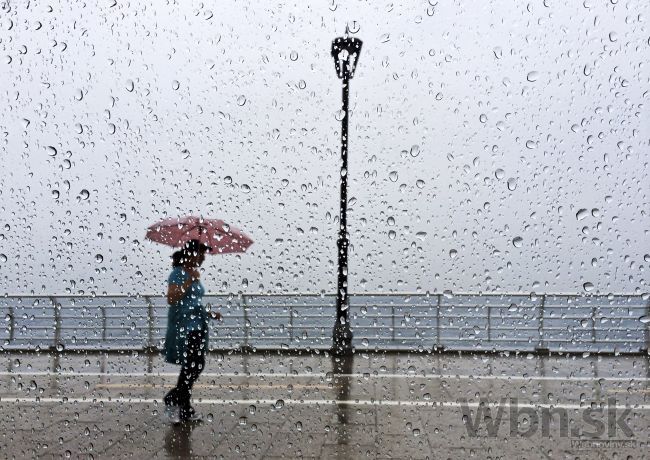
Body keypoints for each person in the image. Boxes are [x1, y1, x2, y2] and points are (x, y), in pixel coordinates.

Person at [163, 239, 221, 423]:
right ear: (192, 254)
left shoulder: (193, 274)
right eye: (201, 253)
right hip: (184, 327)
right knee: (192, 366)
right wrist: (189, 280)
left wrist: (210, 314)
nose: (204, 257)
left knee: (194, 366)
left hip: (198, 325)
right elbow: (172, 298)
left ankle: (182, 405)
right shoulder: (178, 273)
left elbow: (193, 302)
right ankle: (178, 403)